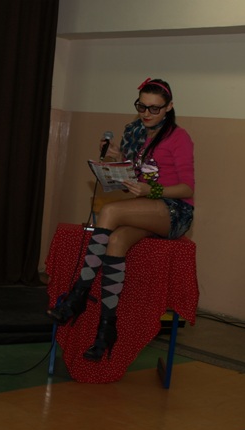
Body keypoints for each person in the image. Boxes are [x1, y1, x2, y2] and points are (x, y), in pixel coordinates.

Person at [47, 77, 194, 362]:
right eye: (142, 106)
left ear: (169, 107)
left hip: (174, 211)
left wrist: (152, 190)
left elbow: (187, 188)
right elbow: (134, 179)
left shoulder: (178, 137)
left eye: (154, 108)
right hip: (146, 208)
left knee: (110, 211)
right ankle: (106, 329)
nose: (147, 113)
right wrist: (118, 159)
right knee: (115, 240)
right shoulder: (134, 132)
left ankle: (77, 297)